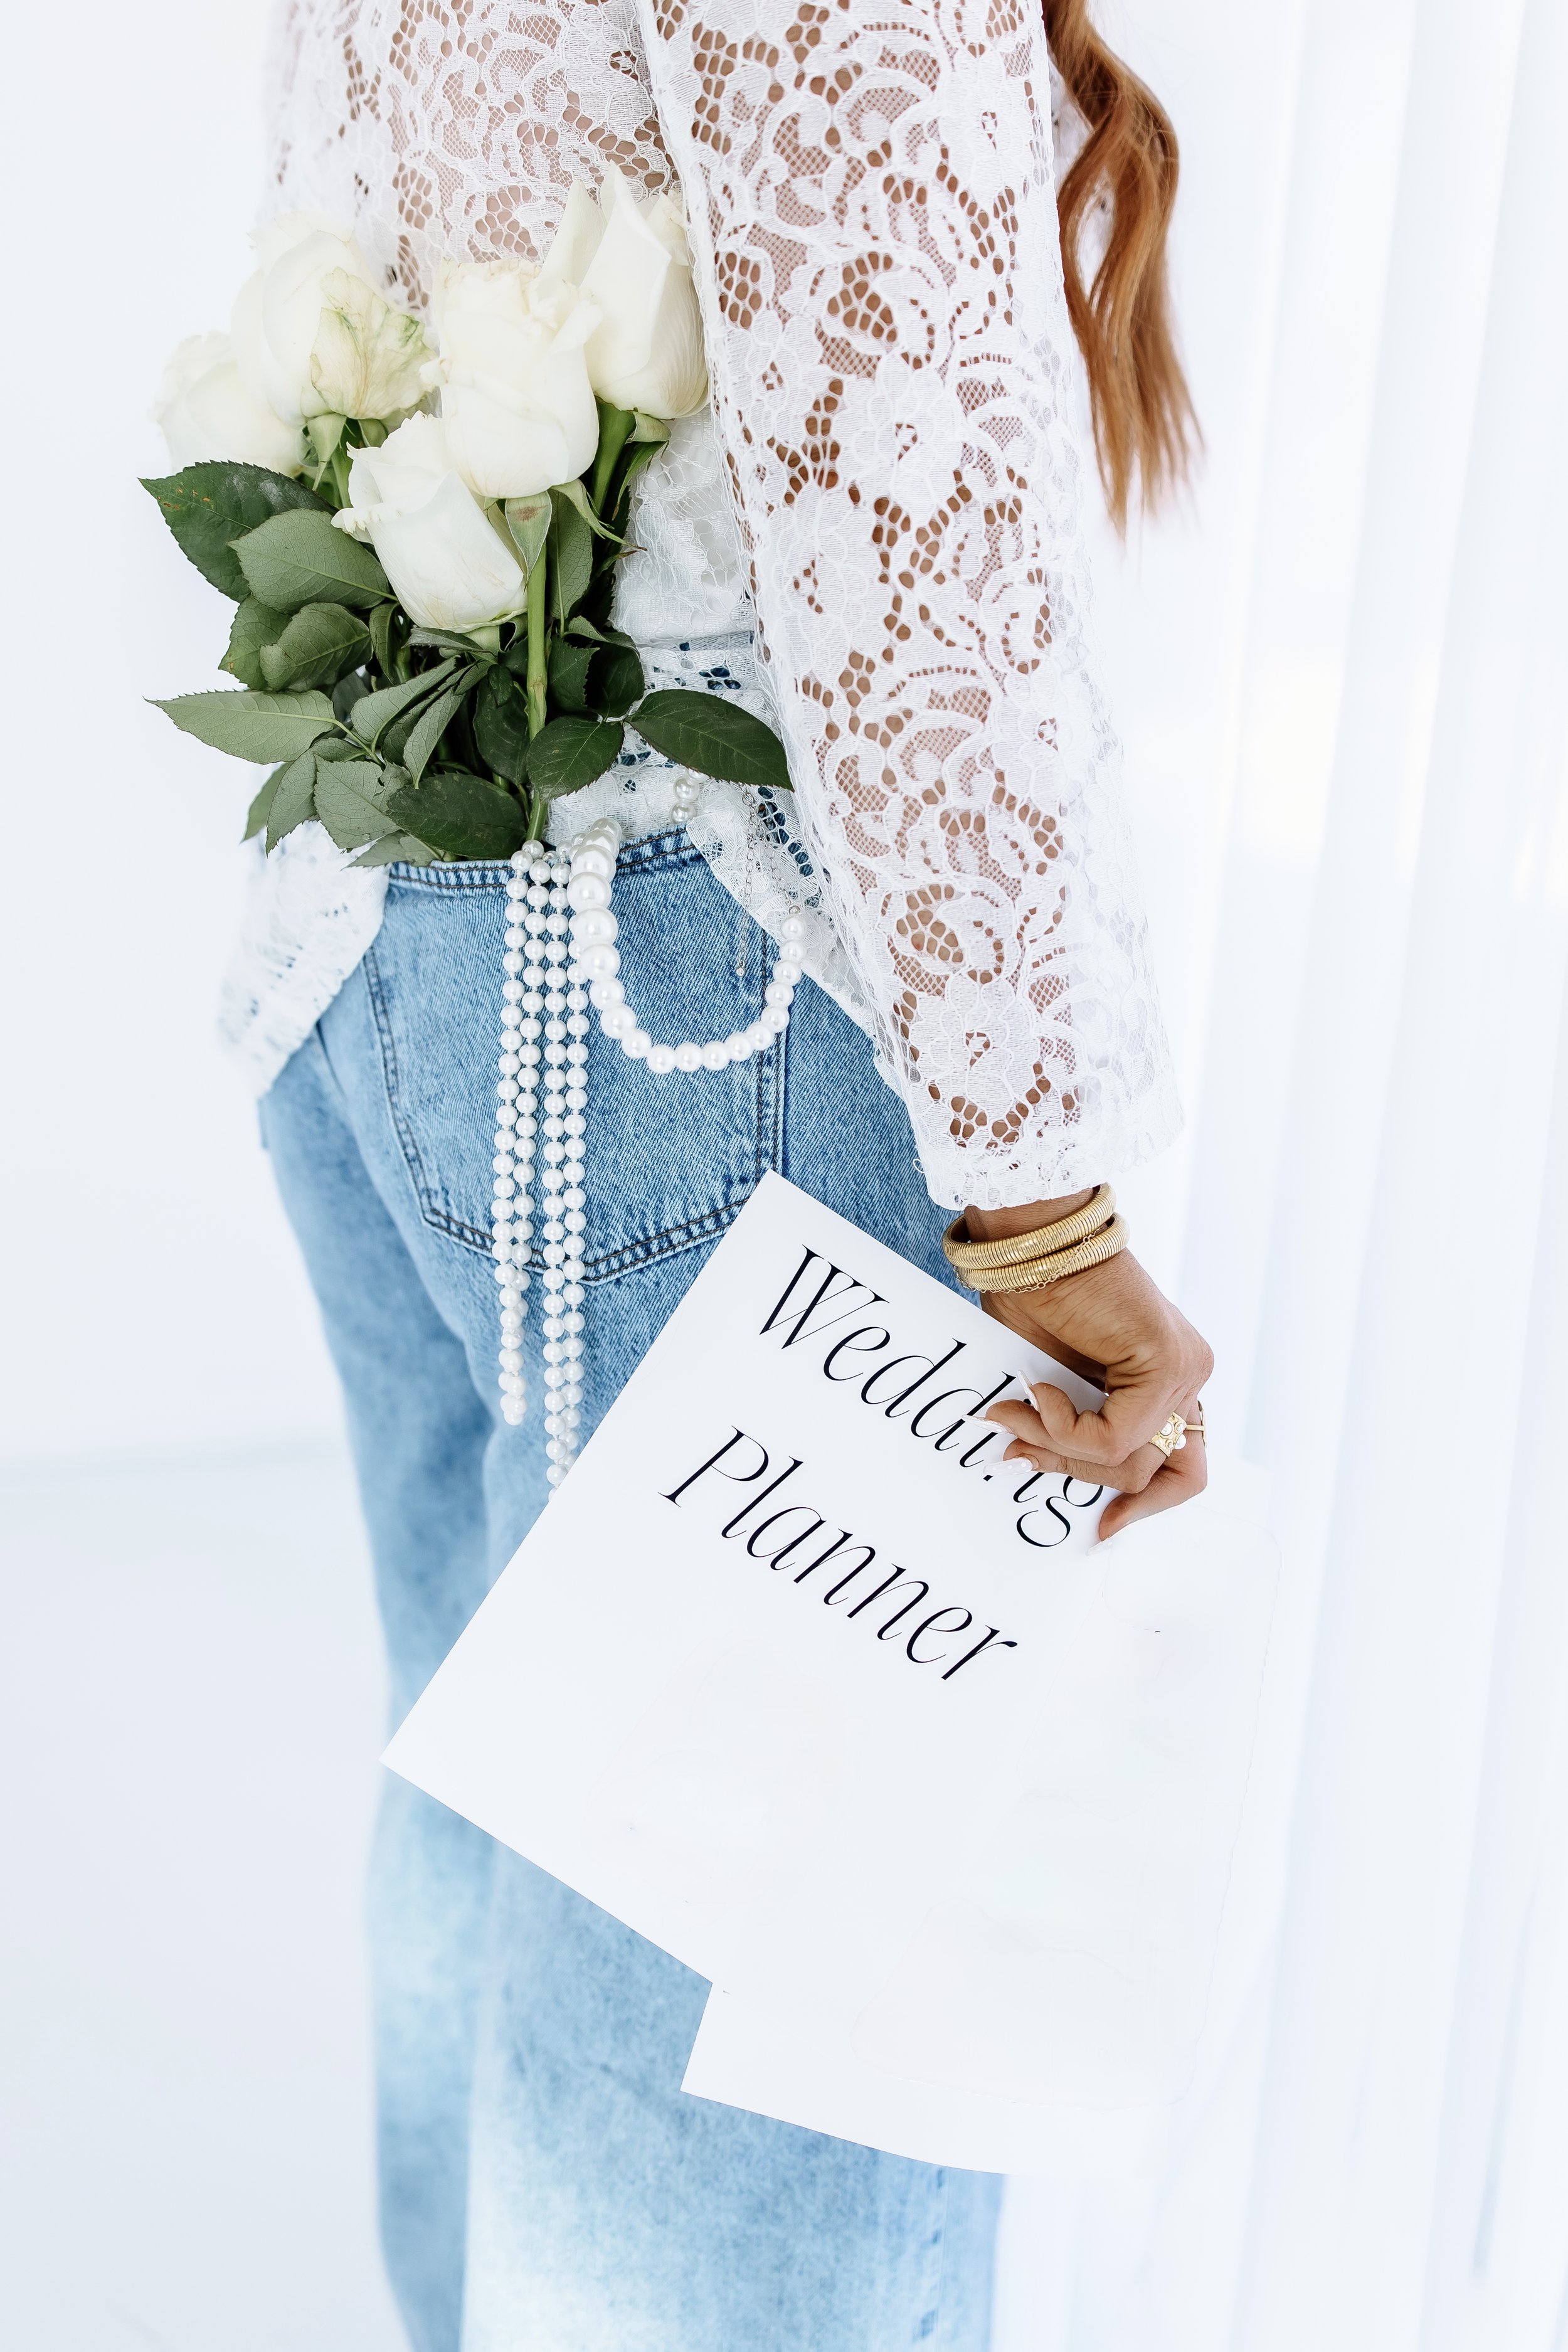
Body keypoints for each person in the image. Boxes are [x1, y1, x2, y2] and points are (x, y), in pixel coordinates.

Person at [236, 1, 1214, 2343]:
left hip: (382, 912)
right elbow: (903, 519)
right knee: (755, 1992)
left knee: (516, 1797)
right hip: (694, 992)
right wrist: (1040, 1204)